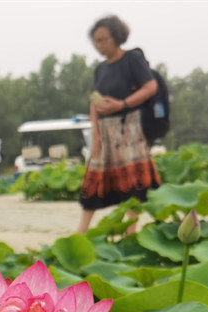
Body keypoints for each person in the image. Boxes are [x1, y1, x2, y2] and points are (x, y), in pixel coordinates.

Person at [78, 15, 160, 235]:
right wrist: (95, 132)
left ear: (116, 37)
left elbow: (150, 87)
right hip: (104, 132)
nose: (99, 45)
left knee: (133, 185)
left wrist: (123, 104)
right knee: (92, 184)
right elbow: (94, 100)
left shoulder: (132, 58)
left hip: (129, 129)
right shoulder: (100, 68)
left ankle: (130, 232)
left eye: (103, 40)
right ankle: (80, 233)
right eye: (96, 41)